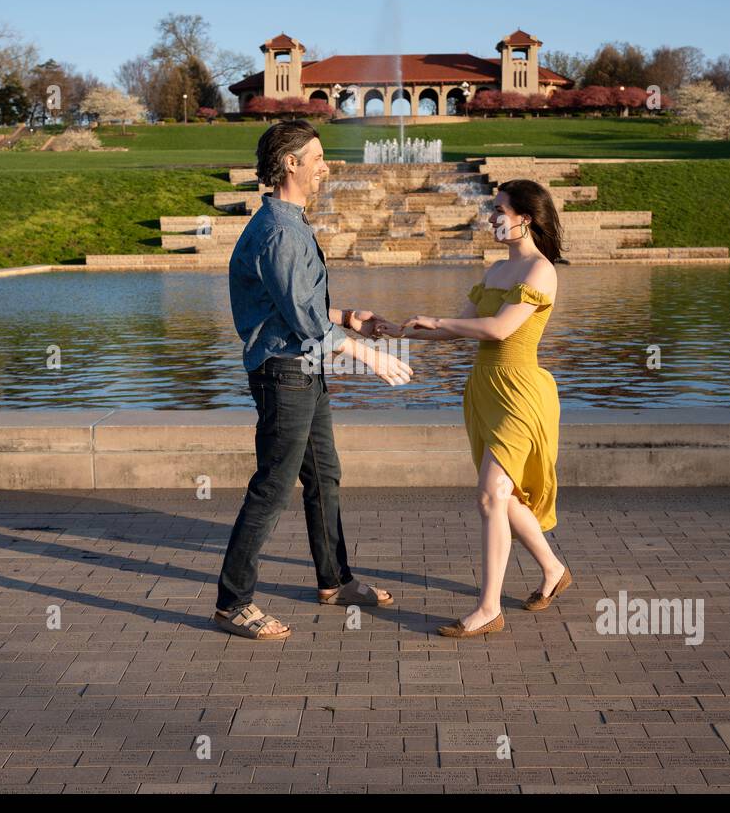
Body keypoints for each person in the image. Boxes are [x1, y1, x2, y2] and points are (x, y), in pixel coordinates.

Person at [214, 119, 413, 641]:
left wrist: (347, 316)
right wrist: (369, 355)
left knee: (323, 475)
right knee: (272, 489)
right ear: (291, 164)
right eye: (318, 157)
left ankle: (336, 581)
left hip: (302, 369)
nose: (326, 167)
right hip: (285, 374)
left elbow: (297, 305)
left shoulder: (289, 224)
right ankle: (234, 602)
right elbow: (302, 321)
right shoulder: (280, 230)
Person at [400, 179, 570, 637]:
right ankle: (553, 569)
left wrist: (437, 319)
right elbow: (459, 330)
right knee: (504, 496)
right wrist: (398, 330)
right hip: (484, 390)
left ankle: (488, 608)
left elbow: (498, 329)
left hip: (520, 393)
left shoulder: (541, 271)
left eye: (499, 210)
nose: (491, 218)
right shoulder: (495, 270)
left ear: (525, 219)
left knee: (491, 494)